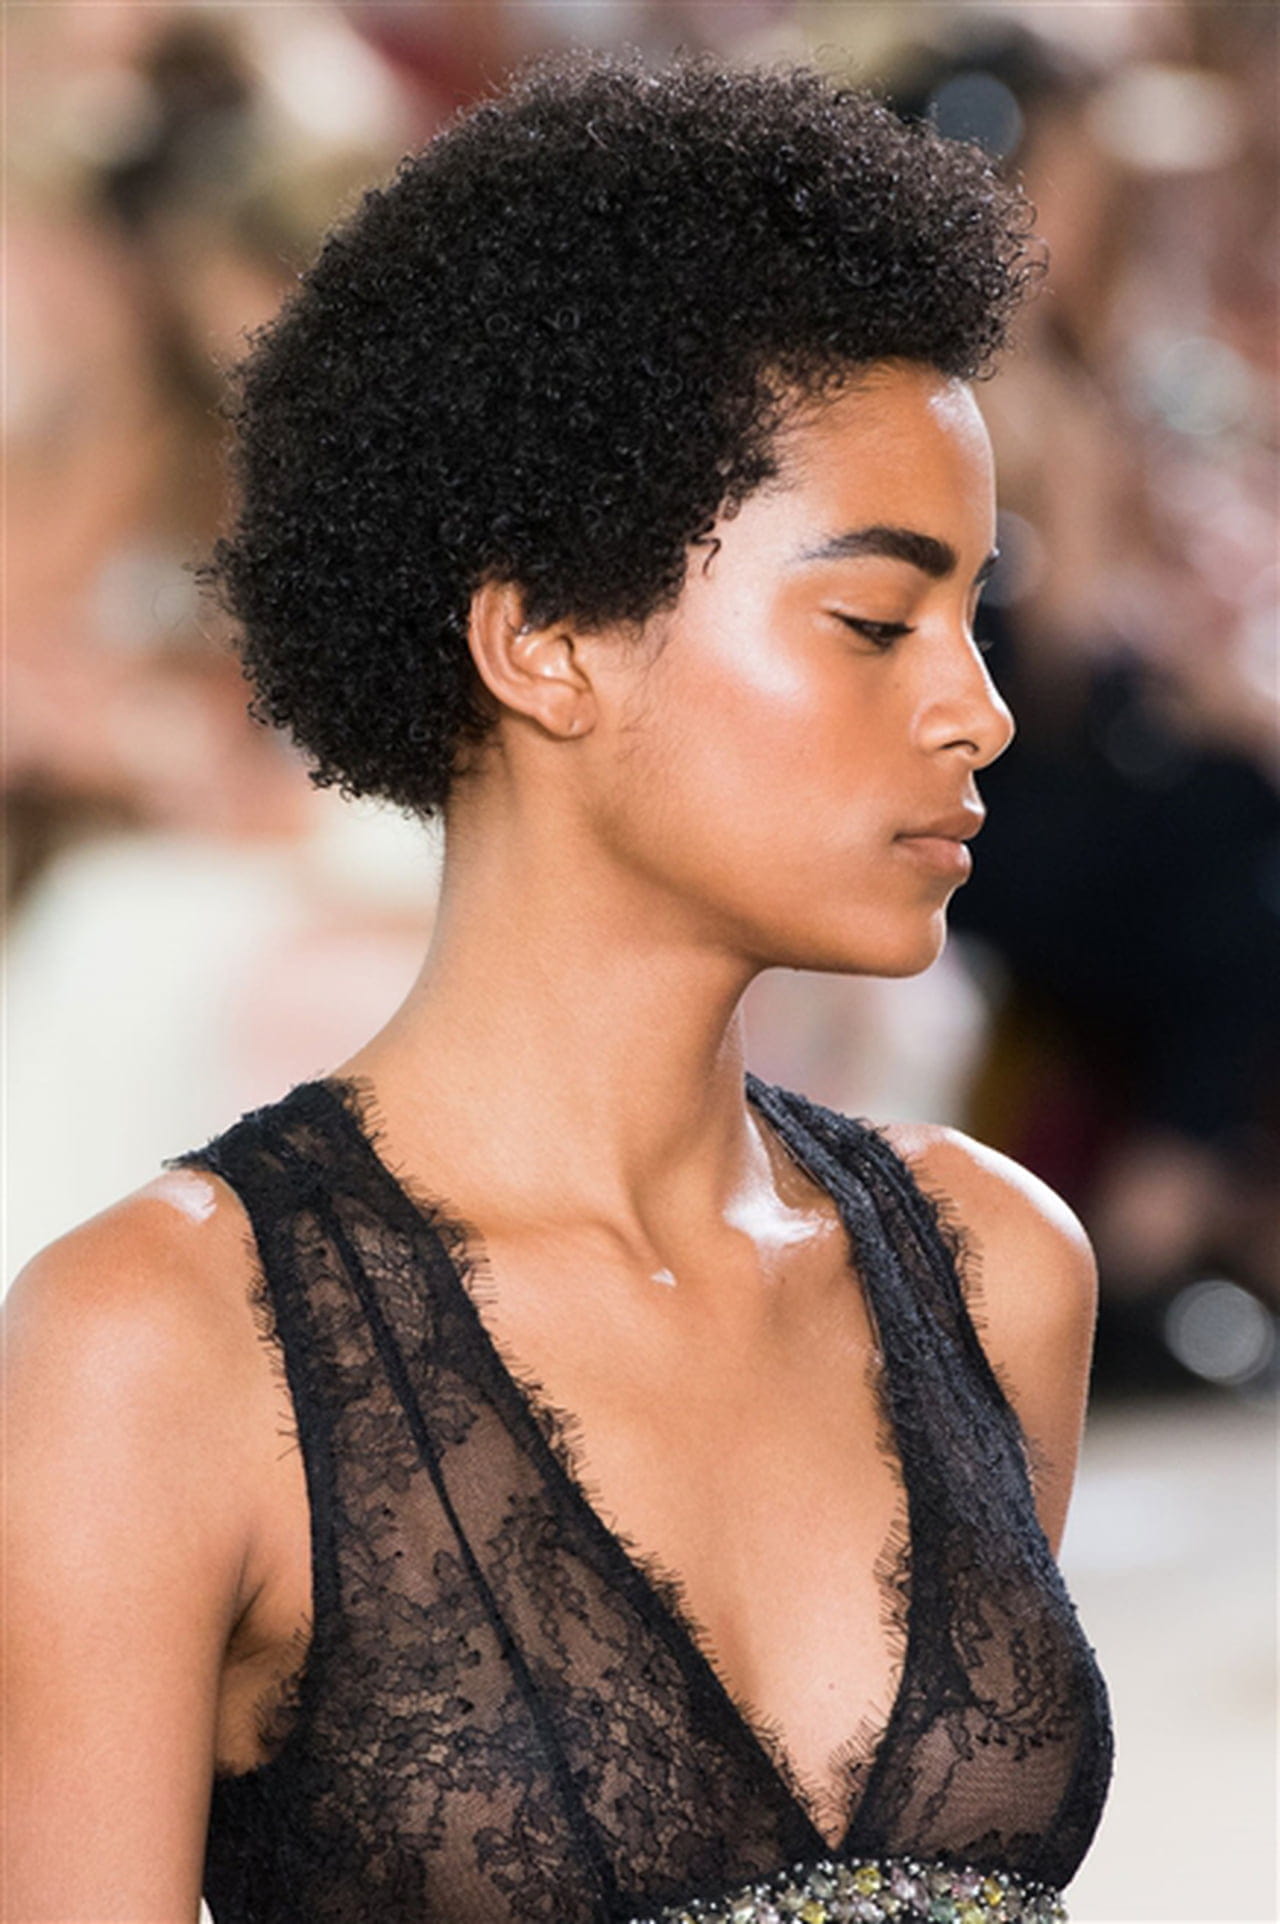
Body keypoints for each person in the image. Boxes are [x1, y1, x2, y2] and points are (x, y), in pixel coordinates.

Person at [2, 51, 1113, 1924]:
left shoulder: (996, 1266)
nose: (976, 708)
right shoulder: (159, 1349)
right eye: (873, 620)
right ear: (544, 641)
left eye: (975, 616)